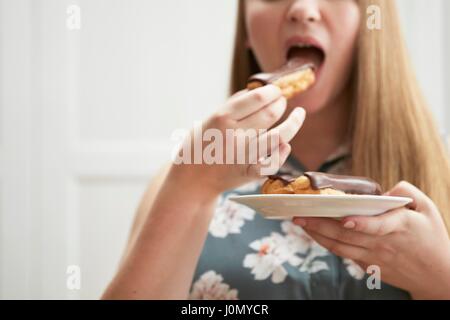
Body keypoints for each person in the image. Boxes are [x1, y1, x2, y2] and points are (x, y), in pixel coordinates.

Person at [102, 0, 450, 300]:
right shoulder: (185, 180)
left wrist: (439, 280)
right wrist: (190, 189)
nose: (301, 9)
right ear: (246, 32)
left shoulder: (441, 173)